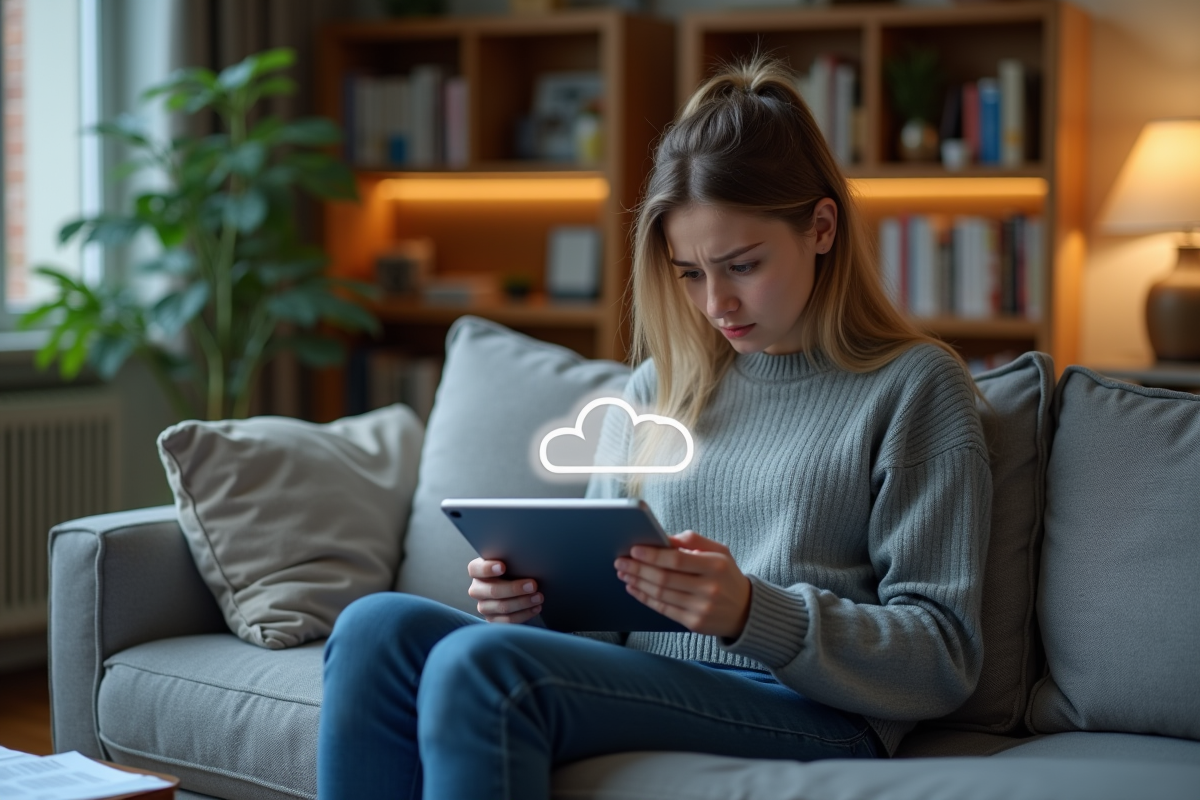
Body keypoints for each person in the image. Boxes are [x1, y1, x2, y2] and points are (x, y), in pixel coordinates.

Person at [317, 55, 992, 800]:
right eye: (691, 273)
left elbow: (943, 656)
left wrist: (750, 611)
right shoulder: (657, 390)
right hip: (656, 679)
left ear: (821, 227)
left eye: (742, 265)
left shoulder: (914, 386)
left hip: (815, 709)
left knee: (482, 669)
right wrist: (536, 604)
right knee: (374, 628)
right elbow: (599, 631)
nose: (716, 304)